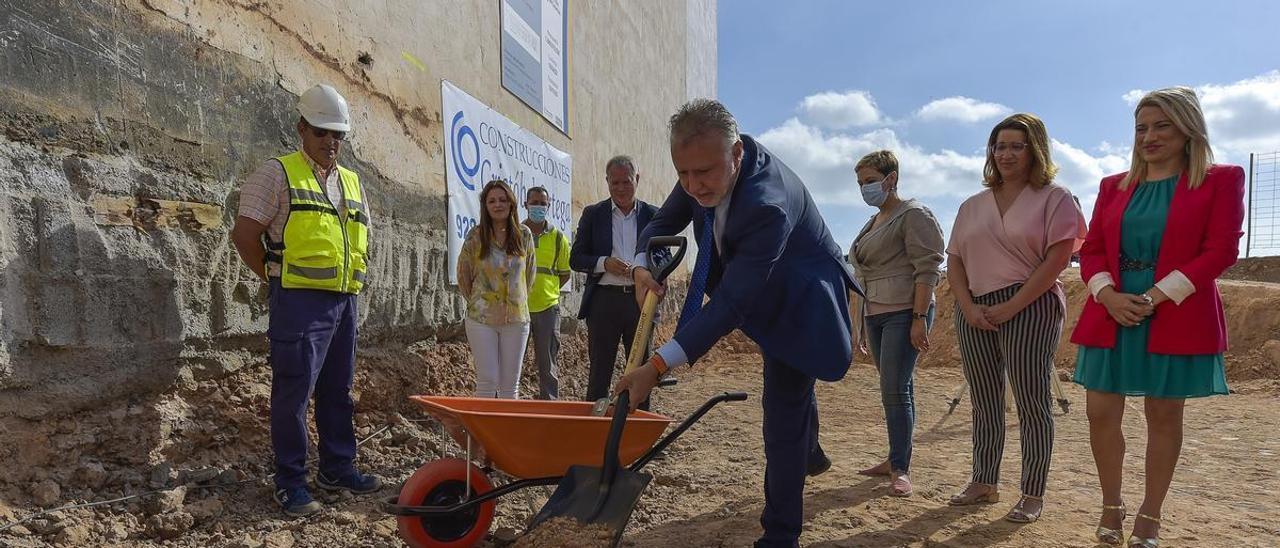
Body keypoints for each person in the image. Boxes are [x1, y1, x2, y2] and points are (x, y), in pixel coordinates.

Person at [614, 99, 861, 548]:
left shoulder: (767, 204)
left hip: (799, 303)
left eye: (703, 174)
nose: (693, 186)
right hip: (756, 290)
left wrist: (655, 367)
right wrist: (639, 265)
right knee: (794, 398)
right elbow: (664, 221)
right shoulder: (701, 163)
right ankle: (810, 451)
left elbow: (731, 304)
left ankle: (780, 535)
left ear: (737, 156)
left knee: (782, 410)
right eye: (683, 174)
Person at [1070, 87, 1243, 547]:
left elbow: (1221, 250)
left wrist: (1153, 297)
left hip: (1175, 310)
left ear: (1188, 128)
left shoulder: (1222, 179)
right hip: (1112, 310)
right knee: (1099, 412)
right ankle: (1111, 504)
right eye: (1142, 127)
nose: (1149, 136)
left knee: (1164, 414)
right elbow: (1093, 250)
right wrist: (1107, 295)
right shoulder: (1113, 185)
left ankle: (1150, 514)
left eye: (1161, 125)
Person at [230, 84, 381, 516]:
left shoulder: (351, 181)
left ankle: (338, 467)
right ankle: (291, 482)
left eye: (338, 135)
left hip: (343, 303)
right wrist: (274, 279)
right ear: (301, 128)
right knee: (293, 393)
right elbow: (244, 236)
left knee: (339, 390)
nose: (330, 141)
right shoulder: (276, 173)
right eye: (321, 132)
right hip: (297, 303)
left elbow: (361, 238)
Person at [945, 113, 1085, 523]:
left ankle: (1031, 492)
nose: (1005, 154)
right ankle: (983, 480)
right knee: (984, 398)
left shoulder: (1055, 197)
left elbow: (1058, 258)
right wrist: (968, 306)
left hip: (1031, 303)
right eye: (999, 146)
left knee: (1031, 400)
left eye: (1016, 146)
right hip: (974, 306)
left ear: (1035, 149)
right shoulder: (971, 205)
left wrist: (1013, 305)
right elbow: (954, 261)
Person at [846, 150, 945, 497]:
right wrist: (858, 323)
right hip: (876, 313)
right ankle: (895, 458)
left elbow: (928, 268)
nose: (864, 188)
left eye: (870, 181)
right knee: (898, 387)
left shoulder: (913, 214)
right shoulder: (872, 222)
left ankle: (901, 469)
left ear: (891, 179)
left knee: (894, 389)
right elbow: (860, 276)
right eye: (860, 183)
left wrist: (919, 318)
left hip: (905, 311)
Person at [569, 156, 659, 404]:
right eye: (615, 182)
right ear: (607, 181)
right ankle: (595, 434)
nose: (620, 188)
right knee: (600, 373)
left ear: (637, 180)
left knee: (641, 371)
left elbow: (663, 257)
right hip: (603, 302)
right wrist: (604, 263)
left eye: (626, 182)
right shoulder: (593, 214)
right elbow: (576, 258)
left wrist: (644, 271)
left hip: (640, 303)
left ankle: (638, 434)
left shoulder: (654, 216)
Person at [457, 179, 535, 399]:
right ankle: (483, 434)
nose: (497, 204)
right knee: (487, 380)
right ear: (485, 206)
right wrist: (481, 302)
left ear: (511, 203)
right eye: (492, 201)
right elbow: (464, 275)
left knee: (511, 384)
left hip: (516, 320)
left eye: (502, 199)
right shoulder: (475, 236)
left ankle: (508, 433)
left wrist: (514, 300)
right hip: (481, 320)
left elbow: (529, 275)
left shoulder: (524, 235)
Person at [523, 186, 572, 400]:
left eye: (542, 203)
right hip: (518, 308)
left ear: (548, 206)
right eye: (534, 202)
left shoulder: (558, 237)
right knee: (511, 363)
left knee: (548, 363)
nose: (538, 207)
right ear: (525, 205)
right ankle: (507, 405)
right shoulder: (516, 233)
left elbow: (565, 273)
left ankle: (549, 405)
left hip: (548, 309)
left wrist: (547, 291)